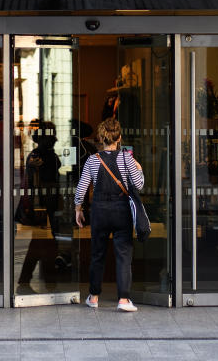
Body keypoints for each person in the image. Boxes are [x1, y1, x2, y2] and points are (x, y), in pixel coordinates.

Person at [74, 117, 144, 312]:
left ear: (101, 138)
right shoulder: (126, 158)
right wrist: (139, 169)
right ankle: (123, 300)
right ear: (119, 137)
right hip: (121, 211)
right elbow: (139, 185)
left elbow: (81, 188)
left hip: (100, 211)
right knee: (123, 255)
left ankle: (94, 296)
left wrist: (78, 209)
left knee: (97, 254)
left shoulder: (92, 160)